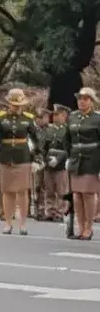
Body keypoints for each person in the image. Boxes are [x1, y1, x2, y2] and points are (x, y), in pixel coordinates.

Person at [0, 87, 39, 235]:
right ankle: (8, 222)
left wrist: (38, 159)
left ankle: (22, 223)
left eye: (19, 105)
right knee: (7, 191)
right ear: (9, 103)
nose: (16, 108)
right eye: (14, 104)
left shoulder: (28, 119)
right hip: (6, 157)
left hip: (23, 157)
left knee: (22, 191)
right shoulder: (0, 118)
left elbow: (37, 140)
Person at [65, 87, 100, 240]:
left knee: (88, 194)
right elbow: (67, 139)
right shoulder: (72, 117)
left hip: (92, 159)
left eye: (85, 99)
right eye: (80, 98)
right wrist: (68, 157)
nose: (81, 101)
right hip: (75, 159)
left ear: (91, 101)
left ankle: (88, 227)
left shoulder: (97, 119)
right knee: (77, 195)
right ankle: (80, 226)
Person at [42, 104, 70, 222]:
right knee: (49, 190)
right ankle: (50, 211)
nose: (54, 117)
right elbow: (44, 147)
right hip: (49, 165)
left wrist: (58, 159)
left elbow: (69, 149)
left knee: (61, 190)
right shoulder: (48, 129)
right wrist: (44, 160)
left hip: (61, 165)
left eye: (57, 114)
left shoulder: (67, 130)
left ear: (64, 115)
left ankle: (60, 212)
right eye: (54, 114)